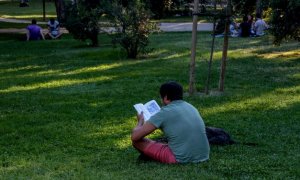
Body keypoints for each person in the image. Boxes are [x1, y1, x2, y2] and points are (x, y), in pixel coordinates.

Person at [131, 81, 210, 164]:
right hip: (204, 155)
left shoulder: (164, 112)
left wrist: (140, 121)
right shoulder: (190, 106)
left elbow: (135, 137)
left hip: (181, 158)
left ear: (165, 97)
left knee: (137, 142)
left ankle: (151, 156)